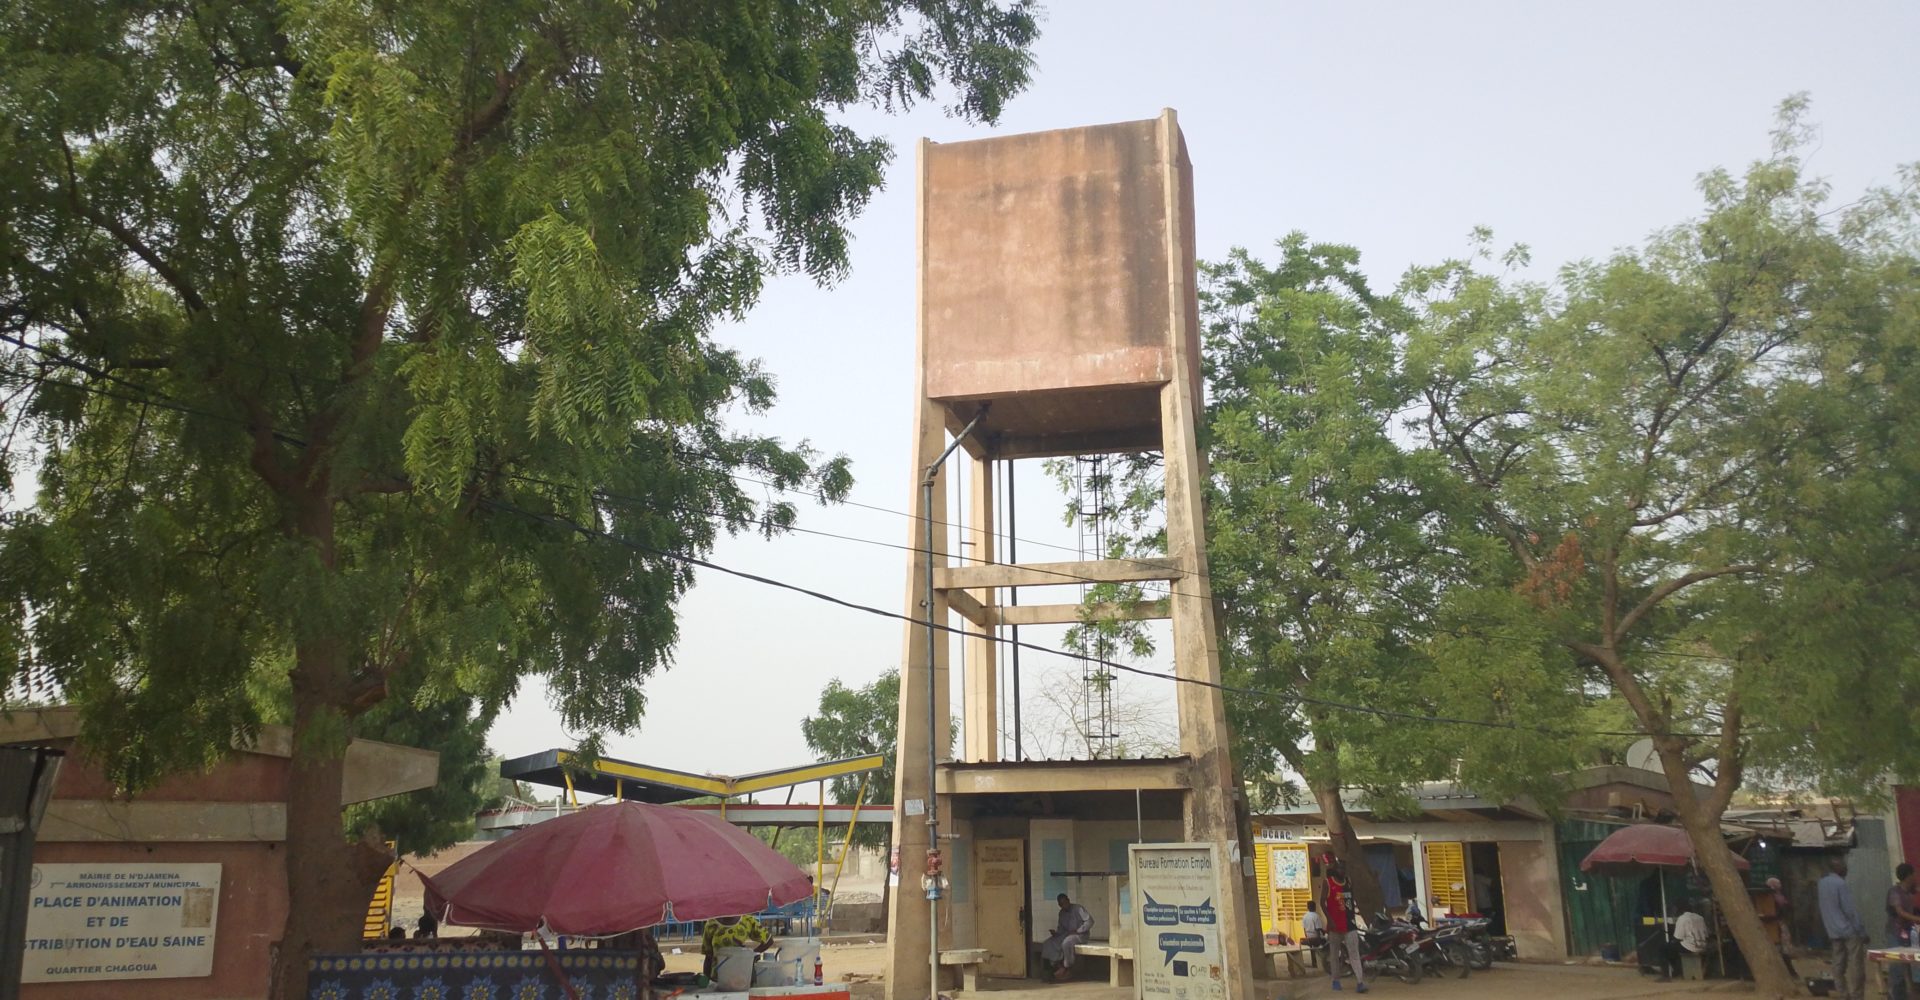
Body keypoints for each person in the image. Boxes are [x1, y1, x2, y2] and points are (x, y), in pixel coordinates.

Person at [1819, 857, 1867, 1000]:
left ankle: (1843, 993)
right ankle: (1856, 995)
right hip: (1849, 929)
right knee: (1856, 964)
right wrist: (1861, 931)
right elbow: (1850, 910)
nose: (1846, 869)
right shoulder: (1840, 884)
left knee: (1838, 964)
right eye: (1843, 866)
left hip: (1833, 930)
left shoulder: (1822, 883)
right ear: (1837, 868)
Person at [1320, 853, 1367, 994]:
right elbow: (1322, 902)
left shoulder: (1348, 882)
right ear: (1335, 869)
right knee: (1335, 955)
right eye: (1340, 868)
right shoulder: (1328, 883)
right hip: (1334, 927)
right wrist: (1329, 919)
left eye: (1344, 868)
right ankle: (1336, 980)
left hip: (1349, 925)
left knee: (1354, 954)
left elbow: (1350, 901)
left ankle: (1360, 982)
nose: (1342, 871)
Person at [1040, 893, 1094, 981]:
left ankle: (1067, 967)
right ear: (1059, 905)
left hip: (1081, 935)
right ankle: (1053, 967)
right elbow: (1061, 929)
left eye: (1065, 903)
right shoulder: (1061, 913)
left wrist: (1079, 930)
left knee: (1067, 942)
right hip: (1067, 934)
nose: (1064, 906)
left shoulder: (1078, 908)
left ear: (1068, 900)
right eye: (1062, 904)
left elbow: (1090, 921)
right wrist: (1056, 933)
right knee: (1048, 943)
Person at [701, 913, 774, 978]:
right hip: (717, 977)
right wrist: (706, 980)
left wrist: (751, 954)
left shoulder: (747, 921)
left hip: (740, 977)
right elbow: (708, 956)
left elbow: (769, 940)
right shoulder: (711, 924)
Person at [1888, 863, 1920, 1000]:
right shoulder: (1895, 892)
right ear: (1908, 876)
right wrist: (1917, 919)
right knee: (1897, 967)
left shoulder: (1909, 890)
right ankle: (1895, 995)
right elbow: (1900, 912)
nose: (1916, 876)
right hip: (1895, 932)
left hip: (1906, 932)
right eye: (1914, 874)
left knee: (1906, 965)